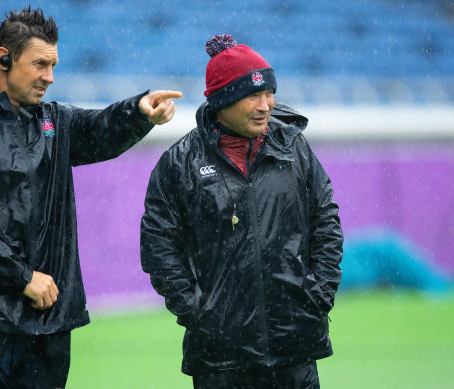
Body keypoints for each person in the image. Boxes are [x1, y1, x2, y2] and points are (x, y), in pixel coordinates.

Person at [0, 7, 181, 388]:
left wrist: (138, 112)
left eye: (53, 65)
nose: (50, 77)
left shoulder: (53, 122)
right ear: (3, 58)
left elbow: (100, 130)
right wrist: (22, 277)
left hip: (48, 326)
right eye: (40, 64)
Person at [140, 34, 343, 388]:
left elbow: (326, 221)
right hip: (220, 358)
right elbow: (158, 247)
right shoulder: (180, 162)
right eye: (253, 95)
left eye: (269, 93)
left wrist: (318, 295)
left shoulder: (294, 148)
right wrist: (198, 312)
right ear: (222, 101)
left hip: (295, 348)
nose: (265, 105)